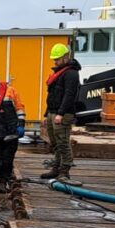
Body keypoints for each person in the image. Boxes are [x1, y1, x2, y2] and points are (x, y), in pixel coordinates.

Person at [40, 43, 81, 183]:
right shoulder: (58, 74)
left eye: (57, 59)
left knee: (63, 142)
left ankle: (65, 170)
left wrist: (61, 113)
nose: (55, 62)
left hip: (63, 114)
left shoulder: (71, 73)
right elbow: (52, 95)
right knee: (55, 142)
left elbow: (69, 95)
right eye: (54, 59)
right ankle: (56, 167)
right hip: (53, 112)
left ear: (65, 57)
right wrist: (47, 114)